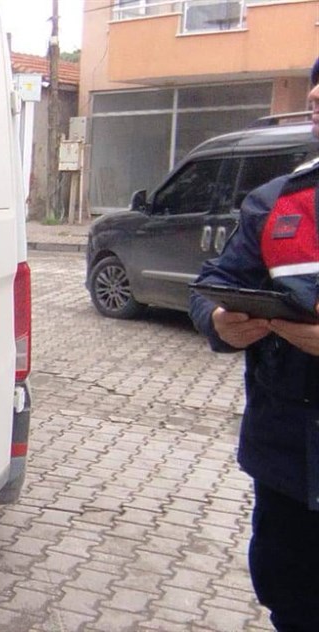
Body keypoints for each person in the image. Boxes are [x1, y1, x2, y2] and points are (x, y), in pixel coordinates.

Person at [188, 58, 319, 631]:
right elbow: (209, 285)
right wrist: (219, 320)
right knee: (291, 605)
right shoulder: (274, 203)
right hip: (287, 466)